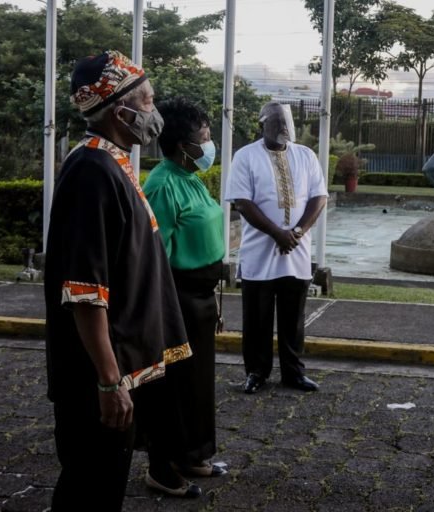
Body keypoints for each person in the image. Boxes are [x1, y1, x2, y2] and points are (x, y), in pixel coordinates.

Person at [44, 50, 192, 511]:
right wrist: (110, 381)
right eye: (146, 101)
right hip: (99, 377)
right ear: (118, 109)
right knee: (90, 486)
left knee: (103, 483)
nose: (154, 113)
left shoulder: (111, 162)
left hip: (122, 369)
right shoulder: (92, 170)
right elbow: (86, 290)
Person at [142, 97, 227, 484]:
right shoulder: (161, 185)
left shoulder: (190, 176)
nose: (209, 144)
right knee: (175, 386)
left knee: (198, 384)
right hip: (178, 299)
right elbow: (156, 258)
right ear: (181, 144)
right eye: (203, 137)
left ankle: (195, 453)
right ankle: (165, 464)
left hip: (202, 299)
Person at [225, 101, 328, 394]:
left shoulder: (305, 155)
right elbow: (242, 202)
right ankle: (256, 372)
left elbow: (319, 197)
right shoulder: (245, 156)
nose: (283, 129)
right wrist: (277, 234)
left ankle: (293, 373)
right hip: (260, 252)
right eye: (276, 123)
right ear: (262, 125)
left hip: (296, 251)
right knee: (257, 317)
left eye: (286, 123)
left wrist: (297, 232)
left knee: (293, 317)